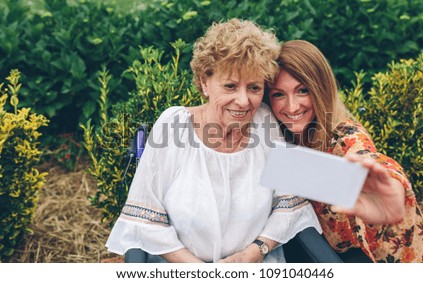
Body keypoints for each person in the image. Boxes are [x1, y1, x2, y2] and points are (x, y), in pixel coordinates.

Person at [105, 20, 322, 263]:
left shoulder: (264, 121)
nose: (243, 101)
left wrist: (255, 252)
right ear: (205, 81)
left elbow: (289, 203)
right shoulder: (173, 125)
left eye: (254, 87)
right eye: (230, 86)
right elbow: (144, 220)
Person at [267, 40, 423, 262]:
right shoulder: (276, 134)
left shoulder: (343, 137)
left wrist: (392, 187)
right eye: (278, 94)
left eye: (302, 91)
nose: (292, 106)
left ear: (320, 89)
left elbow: (365, 158)